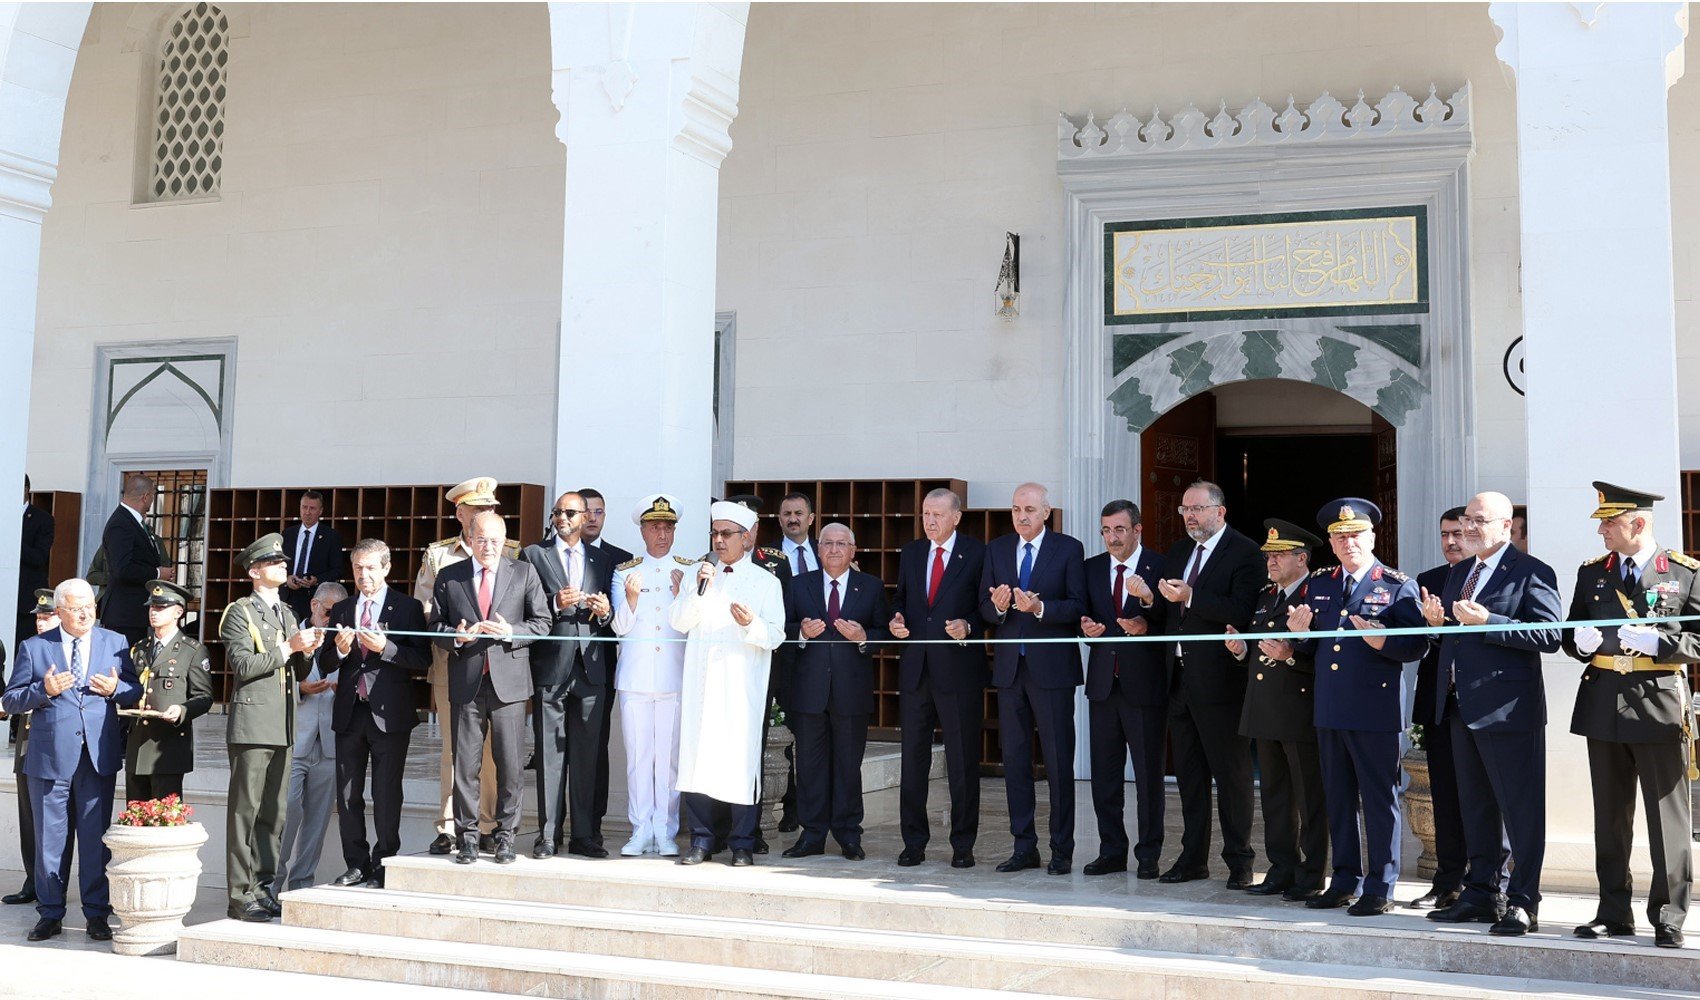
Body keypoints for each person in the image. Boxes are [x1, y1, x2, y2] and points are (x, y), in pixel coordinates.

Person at [1562, 482, 1698, 950]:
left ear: (1638, 524)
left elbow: (1698, 640)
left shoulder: (1682, 573)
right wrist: (1576, 644)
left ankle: (1669, 914)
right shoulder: (1592, 573)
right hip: (1603, 703)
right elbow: (1572, 627)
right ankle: (1613, 911)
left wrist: (1663, 645)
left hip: (1657, 703)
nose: (1601, 530)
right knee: (1610, 817)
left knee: (1668, 818)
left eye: (1610, 522)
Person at [1424, 492, 1562, 936]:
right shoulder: (1460, 572)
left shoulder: (1531, 570)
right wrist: (1436, 623)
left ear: (1507, 526)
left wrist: (1490, 621)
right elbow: (1456, 636)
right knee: (1476, 808)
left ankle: (1524, 900)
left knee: (1520, 810)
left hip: (1507, 710)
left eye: (1479, 520)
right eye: (1466, 518)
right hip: (1461, 705)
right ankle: (1480, 893)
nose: (1468, 527)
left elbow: (1548, 633)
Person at [1288, 499, 1426, 917]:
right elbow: (1316, 649)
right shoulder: (1321, 582)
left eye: (1355, 535)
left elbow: (1417, 644)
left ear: (1371, 537)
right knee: (1338, 797)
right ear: (1331, 543)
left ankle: (1380, 885)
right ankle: (1344, 879)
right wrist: (1298, 636)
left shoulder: (1397, 584)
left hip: (1373, 710)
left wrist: (1383, 642)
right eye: (1339, 536)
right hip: (1330, 707)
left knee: (1379, 799)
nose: (1348, 543)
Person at [2, 578, 140, 942]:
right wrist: (43, 691)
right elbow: (11, 700)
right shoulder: (35, 647)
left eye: (90, 606)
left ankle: (96, 914)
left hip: (97, 755)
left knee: (95, 840)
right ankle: (50, 913)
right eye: (76, 607)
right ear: (60, 611)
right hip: (49, 758)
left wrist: (117, 691)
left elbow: (134, 689)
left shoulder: (115, 643)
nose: (85, 613)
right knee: (51, 842)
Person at [1156, 480, 1265, 888]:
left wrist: (1191, 596)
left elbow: (1243, 609)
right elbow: (1173, 614)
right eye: (1185, 508)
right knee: (1189, 778)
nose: (1189, 515)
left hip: (1222, 683)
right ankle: (1192, 859)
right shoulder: (1179, 551)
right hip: (1180, 681)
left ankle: (1240, 861)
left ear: (1220, 512)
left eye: (1197, 509)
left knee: (1232, 776)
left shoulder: (1246, 552)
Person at [980, 482, 1088, 875]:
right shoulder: (997, 549)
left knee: (1059, 762)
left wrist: (1041, 608)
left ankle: (1062, 850)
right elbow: (985, 610)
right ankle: (1024, 846)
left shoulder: (1068, 549)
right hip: (1010, 671)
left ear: (1046, 511)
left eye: (1029, 509)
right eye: (1015, 509)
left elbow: (1078, 605)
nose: (1021, 516)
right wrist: (997, 607)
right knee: (1015, 762)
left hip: (1053, 672)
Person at [432, 510, 552, 865]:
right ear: (469, 539)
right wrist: (455, 636)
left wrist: (511, 632)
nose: (488, 546)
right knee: (465, 765)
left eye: (495, 540)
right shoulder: (449, 576)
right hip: (467, 681)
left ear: (505, 542)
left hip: (509, 684)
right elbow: (435, 624)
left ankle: (505, 837)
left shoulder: (524, 572)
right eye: (481, 539)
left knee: (510, 764)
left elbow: (543, 622)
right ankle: (467, 837)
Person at [672, 500, 785, 867]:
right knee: (698, 758)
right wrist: (699, 589)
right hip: (701, 685)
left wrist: (750, 623)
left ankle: (741, 844)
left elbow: (776, 635)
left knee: (739, 761)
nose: (719, 541)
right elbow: (680, 621)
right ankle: (702, 841)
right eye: (715, 533)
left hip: (741, 686)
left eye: (727, 534)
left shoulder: (766, 582)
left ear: (748, 538)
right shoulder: (698, 575)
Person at [413, 477, 519, 856]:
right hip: (452, 660)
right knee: (454, 748)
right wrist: (454, 628)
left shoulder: (512, 551)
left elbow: (516, 597)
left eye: (491, 509)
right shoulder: (439, 555)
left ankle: (487, 823)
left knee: (494, 749)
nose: (485, 516)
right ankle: (449, 825)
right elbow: (423, 607)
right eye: (478, 510)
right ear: (460, 513)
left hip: (497, 662)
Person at [222, 533, 323, 922]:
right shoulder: (240, 612)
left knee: (274, 812)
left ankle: (264, 886)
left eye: (284, 561)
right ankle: (239, 892)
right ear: (254, 570)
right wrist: (288, 648)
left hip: (282, 723)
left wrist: (306, 651)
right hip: (252, 724)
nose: (283, 566)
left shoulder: (285, 612)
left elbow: (298, 672)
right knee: (245, 811)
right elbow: (244, 667)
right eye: (274, 562)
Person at [1228, 520, 1326, 900]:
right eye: (1268, 554)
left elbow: (1322, 654)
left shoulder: (1317, 595)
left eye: (1279, 555)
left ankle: (1312, 872)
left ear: (1301, 559)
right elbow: (1260, 648)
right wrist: (1240, 651)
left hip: (1300, 709)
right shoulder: (1267, 595)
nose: (1270, 561)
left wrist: (1291, 656)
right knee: (1275, 796)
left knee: (1309, 797)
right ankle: (1280, 867)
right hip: (1266, 707)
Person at [889, 487, 986, 869]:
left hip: (959, 671)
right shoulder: (912, 552)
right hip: (916, 670)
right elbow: (901, 599)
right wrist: (896, 619)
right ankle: (913, 842)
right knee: (912, 762)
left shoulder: (978, 553)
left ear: (956, 517)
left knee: (962, 761)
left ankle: (963, 845)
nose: (930, 521)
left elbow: (985, 608)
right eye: (926, 514)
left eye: (938, 514)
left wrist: (969, 625)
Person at [324, 540, 429, 889]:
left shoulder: (407, 607)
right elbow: (324, 662)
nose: (363, 575)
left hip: (390, 712)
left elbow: (422, 659)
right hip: (350, 712)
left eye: (370, 568)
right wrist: (338, 653)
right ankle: (355, 862)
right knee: (348, 793)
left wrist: (388, 648)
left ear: (386, 568)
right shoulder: (342, 608)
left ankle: (384, 860)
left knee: (386, 791)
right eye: (357, 568)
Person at [783, 522, 889, 860]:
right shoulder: (799, 585)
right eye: (827, 543)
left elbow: (884, 632)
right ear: (818, 548)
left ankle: (848, 834)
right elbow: (780, 628)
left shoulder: (870, 587)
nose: (833, 549)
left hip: (851, 692)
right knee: (810, 767)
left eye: (841, 544)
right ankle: (811, 834)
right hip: (809, 692)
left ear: (853, 550)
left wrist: (864, 639)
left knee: (847, 765)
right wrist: (799, 633)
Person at [522, 492, 617, 859]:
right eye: (557, 512)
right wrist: (553, 603)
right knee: (549, 755)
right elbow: (525, 605)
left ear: (584, 518)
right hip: (551, 665)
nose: (562, 517)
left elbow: (612, 619)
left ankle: (584, 835)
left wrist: (605, 611)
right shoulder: (533, 555)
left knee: (586, 757)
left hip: (591, 667)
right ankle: (547, 835)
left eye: (570, 512)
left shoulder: (603, 559)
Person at [1078, 499, 1166, 879]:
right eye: (1106, 530)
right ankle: (1111, 849)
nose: (1112, 538)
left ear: (1137, 530)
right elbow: (1080, 616)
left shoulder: (1160, 566)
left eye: (1119, 530)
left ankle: (1148, 854)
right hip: (1102, 685)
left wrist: (1147, 622)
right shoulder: (1091, 569)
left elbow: (1172, 618)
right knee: (1105, 776)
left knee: (1148, 776)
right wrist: (1086, 629)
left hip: (1144, 686)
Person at [610, 494, 692, 856]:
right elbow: (619, 627)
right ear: (642, 530)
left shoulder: (689, 570)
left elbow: (692, 626)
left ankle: (666, 829)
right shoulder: (625, 572)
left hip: (674, 678)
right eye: (655, 526)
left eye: (668, 526)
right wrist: (629, 599)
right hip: (636, 678)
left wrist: (680, 595)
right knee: (639, 758)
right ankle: (640, 828)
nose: (662, 533)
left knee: (670, 760)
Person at [1407, 506, 1475, 911]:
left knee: (1481, 798)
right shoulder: (1429, 581)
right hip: (1440, 702)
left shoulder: (1490, 579)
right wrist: (1429, 629)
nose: (1451, 542)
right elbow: (1418, 645)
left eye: (1458, 534)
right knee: (1445, 796)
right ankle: (1446, 881)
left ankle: (1485, 881)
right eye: (1445, 534)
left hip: (1480, 704)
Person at [718, 493, 794, 854]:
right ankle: (718, 827)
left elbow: (783, 619)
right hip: (718, 673)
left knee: (752, 751)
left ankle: (753, 829)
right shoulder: (710, 565)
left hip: (758, 669)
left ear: (752, 530)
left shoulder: (773, 563)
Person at [274, 582, 344, 895]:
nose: (333, 619)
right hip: (295, 737)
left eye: (339, 614)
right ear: (314, 605)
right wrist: (298, 689)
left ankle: (301, 885)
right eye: (329, 611)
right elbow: (271, 682)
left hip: (329, 741)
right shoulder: (289, 635)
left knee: (317, 821)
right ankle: (271, 884)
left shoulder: (344, 640)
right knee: (286, 813)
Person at [122, 579, 213, 801]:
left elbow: (204, 697)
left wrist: (182, 710)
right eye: (153, 607)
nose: (154, 612)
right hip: (138, 746)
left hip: (168, 748)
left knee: (164, 823)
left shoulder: (192, 650)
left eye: (161, 607)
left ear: (178, 612)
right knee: (134, 824)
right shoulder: (139, 648)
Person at [578, 485, 631, 835]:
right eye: (587, 512)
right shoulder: (546, 554)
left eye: (599, 512)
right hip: (559, 665)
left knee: (595, 748)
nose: (593, 518)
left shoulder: (621, 558)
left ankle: (591, 826)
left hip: (600, 664)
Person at [3, 590, 58, 907]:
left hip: (56, 745)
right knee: (28, 817)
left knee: (55, 820)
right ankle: (32, 881)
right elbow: (14, 696)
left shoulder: (67, 651)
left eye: (47, 616)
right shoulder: (30, 650)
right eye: (38, 617)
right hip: (28, 741)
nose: (41, 622)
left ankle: (52, 882)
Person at [100, 474, 171, 645]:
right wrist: (157, 573)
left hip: (134, 613)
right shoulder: (121, 523)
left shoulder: (133, 521)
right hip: (124, 615)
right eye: (153, 495)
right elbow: (122, 569)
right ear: (145, 496)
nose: (152, 500)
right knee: (123, 667)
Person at [282, 491, 346, 622]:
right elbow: (278, 564)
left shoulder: (331, 536)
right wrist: (286, 578)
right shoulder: (288, 534)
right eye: (304, 507)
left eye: (312, 508)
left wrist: (316, 580)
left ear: (320, 511)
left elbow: (337, 570)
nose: (307, 512)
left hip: (314, 597)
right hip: (288, 595)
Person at [16, 476, 53, 652]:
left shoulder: (43, 519)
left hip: (25, 601)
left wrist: (13, 538)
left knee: (23, 651)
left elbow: (39, 557)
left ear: (25, 489)